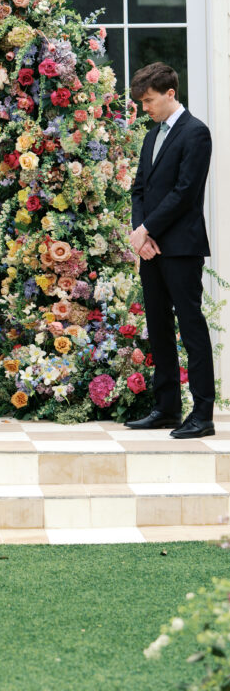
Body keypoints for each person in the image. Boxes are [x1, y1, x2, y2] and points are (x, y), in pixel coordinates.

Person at [125, 62, 215, 439]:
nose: (145, 108)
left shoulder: (196, 133)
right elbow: (139, 189)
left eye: (149, 101)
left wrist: (147, 229)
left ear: (170, 94)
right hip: (152, 248)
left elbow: (185, 192)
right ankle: (166, 407)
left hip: (181, 247)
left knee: (190, 325)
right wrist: (140, 235)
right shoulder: (151, 136)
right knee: (158, 325)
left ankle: (203, 415)